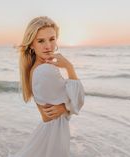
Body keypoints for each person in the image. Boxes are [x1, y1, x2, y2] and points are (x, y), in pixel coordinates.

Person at [9, 16, 85, 157]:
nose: (48, 46)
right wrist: (69, 67)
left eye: (52, 39)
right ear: (31, 44)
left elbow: (65, 105)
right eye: (41, 41)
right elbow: (79, 101)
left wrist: (65, 106)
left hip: (49, 134)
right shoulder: (45, 71)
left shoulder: (37, 68)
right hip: (53, 138)